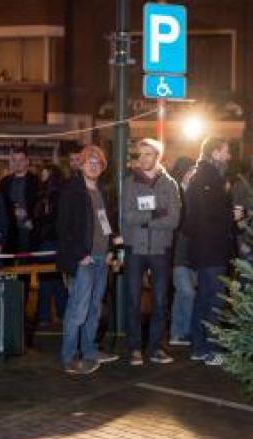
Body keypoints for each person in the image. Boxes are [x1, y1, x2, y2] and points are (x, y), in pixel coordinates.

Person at [56, 145, 121, 375]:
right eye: (89, 162)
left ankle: (90, 351)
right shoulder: (72, 190)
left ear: (102, 167)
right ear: (81, 164)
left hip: (101, 259)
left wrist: (112, 247)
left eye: (97, 162)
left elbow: (108, 223)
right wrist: (78, 256)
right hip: (83, 260)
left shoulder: (103, 191)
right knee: (78, 310)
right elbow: (64, 229)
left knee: (94, 309)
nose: (93, 165)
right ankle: (69, 356)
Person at [123, 138, 181, 366]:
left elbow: (174, 220)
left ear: (158, 157)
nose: (143, 158)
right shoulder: (130, 183)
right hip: (135, 248)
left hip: (160, 249)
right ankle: (135, 348)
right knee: (133, 300)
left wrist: (144, 219)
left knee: (159, 300)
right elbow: (128, 216)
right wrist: (157, 215)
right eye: (141, 154)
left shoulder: (170, 184)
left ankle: (156, 347)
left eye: (148, 154)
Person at [181, 137, 235, 366]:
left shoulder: (204, 177)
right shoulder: (208, 179)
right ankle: (209, 348)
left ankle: (199, 346)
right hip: (211, 249)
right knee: (213, 299)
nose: (229, 156)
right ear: (214, 153)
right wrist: (232, 216)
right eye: (226, 151)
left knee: (204, 298)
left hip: (206, 249)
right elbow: (208, 216)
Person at [33, 164, 67, 328]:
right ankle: (61, 313)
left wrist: (37, 223)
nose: (42, 178)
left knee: (47, 280)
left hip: (48, 240)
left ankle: (45, 315)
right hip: (53, 240)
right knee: (56, 279)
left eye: (45, 174)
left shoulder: (49, 197)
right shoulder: (55, 194)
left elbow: (47, 219)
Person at [169, 157, 196, 347]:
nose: (193, 173)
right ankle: (183, 331)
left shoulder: (196, 192)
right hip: (177, 251)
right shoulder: (172, 190)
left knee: (183, 294)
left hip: (193, 252)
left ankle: (177, 333)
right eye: (190, 170)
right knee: (186, 292)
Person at [0, 148, 39, 252]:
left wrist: (33, 220)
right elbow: (0, 206)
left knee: (27, 265)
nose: (18, 163)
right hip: (9, 229)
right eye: (14, 160)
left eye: (21, 160)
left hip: (29, 229)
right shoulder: (4, 182)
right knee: (9, 265)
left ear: (27, 161)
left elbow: (40, 205)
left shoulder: (36, 181)